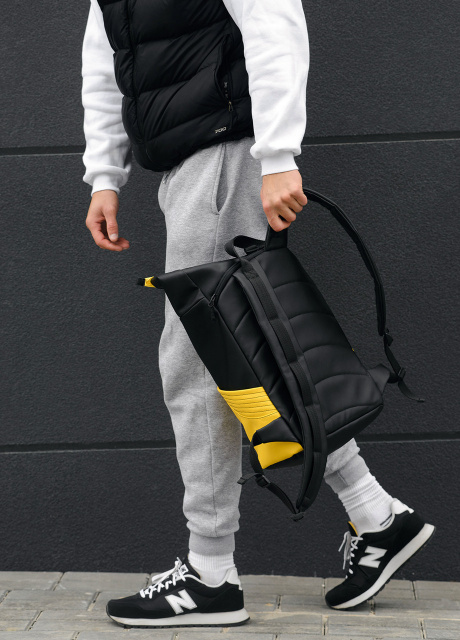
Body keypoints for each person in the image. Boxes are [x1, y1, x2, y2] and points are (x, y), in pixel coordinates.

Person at [81, 0, 435, 629]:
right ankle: (377, 515)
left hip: (222, 154)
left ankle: (210, 573)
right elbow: (107, 59)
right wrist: (104, 175)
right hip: (189, 167)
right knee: (254, 359)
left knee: (199, 364)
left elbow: (274, 20)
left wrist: (277, 156)